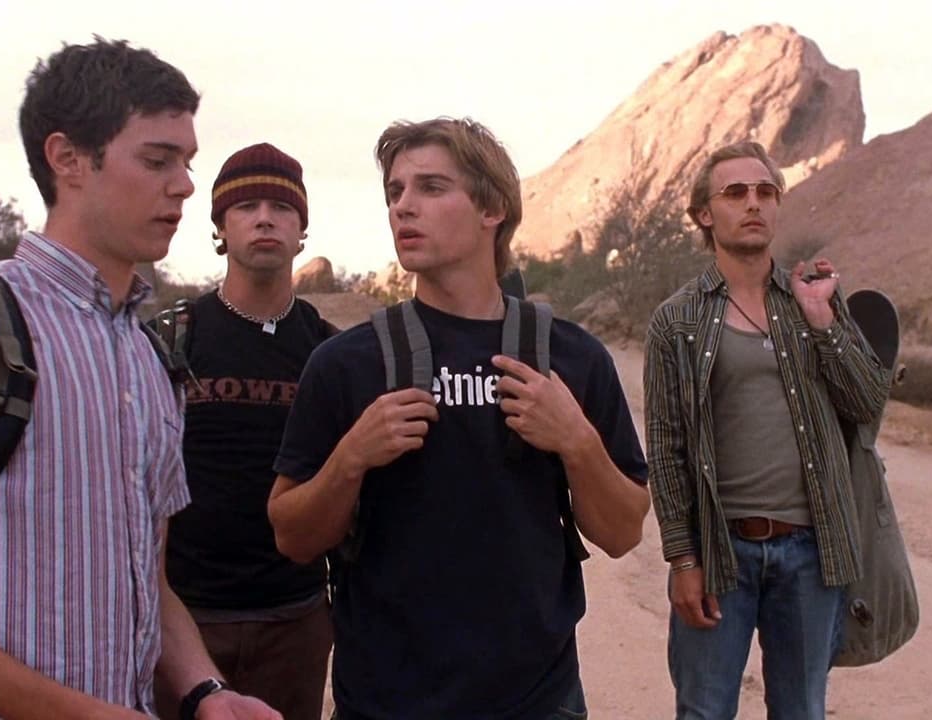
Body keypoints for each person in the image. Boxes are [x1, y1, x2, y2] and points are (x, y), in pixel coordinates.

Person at [0, 39, 279, 720]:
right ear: (68, 158)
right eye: (157, 160)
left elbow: (146, 578)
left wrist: (205, 689)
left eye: (187, 162)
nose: (185, 186)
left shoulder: (151, 357)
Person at [268, 117, 650, 719]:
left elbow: (623, 533)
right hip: (384, 703)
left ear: (492, 208)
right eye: (395, 191)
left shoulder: (571, 357)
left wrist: (576, 441)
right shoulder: (346, 363)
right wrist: (351, 458)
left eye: (431, 187)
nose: (403, 207)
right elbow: (291, 536)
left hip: (537, 701)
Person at [642, 140, 887, 720]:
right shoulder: (676, 320)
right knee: (704, 712)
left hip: (812, 550)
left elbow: (868, 401)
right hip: (719, 551)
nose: (753, 203)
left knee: (802, 711)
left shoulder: (813, 299)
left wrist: (823, 320)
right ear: (704, 214)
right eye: (735, 193)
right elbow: (667, 452)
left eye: (765, 192)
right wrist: (682, 559)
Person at [157, 143, 334, 720]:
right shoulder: (169, 339)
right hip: (183, 619)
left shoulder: (330, 352)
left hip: (295, 619)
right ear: (220, 227)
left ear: (301, 231)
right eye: (246, 206)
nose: (264, 219)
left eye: (281, 207)